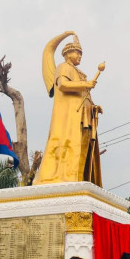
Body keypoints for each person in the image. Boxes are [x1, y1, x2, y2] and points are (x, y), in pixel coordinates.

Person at [35, 32, 103, 186]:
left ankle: (78, 179)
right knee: (67, 144)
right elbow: (63, 85)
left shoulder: (79, 73)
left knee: (81, 149)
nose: (80, 56)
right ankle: (61, 177)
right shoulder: (63, 67)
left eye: (81, 53)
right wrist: (85, 84)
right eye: (77, 52)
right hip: (69, 118)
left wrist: (94, 108)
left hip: (83, 117)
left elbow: (83, 95)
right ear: (67, 53)